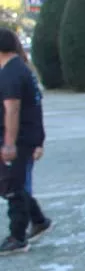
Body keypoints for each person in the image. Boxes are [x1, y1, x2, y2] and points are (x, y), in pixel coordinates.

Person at [0, 28, 51, 255]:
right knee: (10, 185)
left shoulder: (12, 72)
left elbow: (13, 109)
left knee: (13, 187)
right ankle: (39, 220)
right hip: (24, 137)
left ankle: (18, 236)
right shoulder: (19, 69)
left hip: (18, 139)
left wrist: (9, 143)